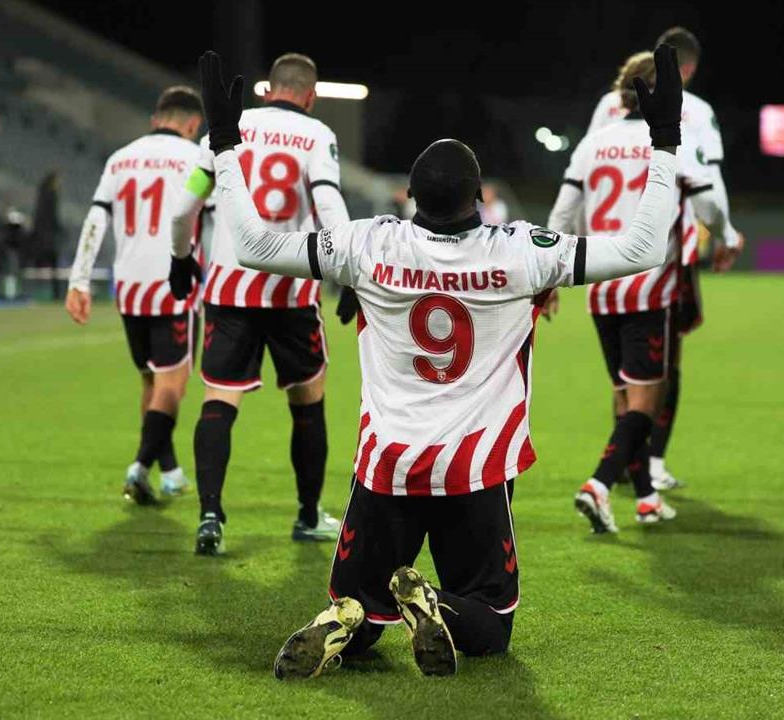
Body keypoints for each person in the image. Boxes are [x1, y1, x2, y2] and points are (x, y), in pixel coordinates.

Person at [193, 45, 682, 677]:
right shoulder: (522, 252)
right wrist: (664, 143)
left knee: (359, 612)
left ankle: (347, 619)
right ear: (479, 196)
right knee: (491, 625)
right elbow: (643, 248)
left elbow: (252, 244)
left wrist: (225, 144)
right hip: (474, 468)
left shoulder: (368, 243)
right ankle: (437, 605)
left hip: (387, 465)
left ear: (410, 195)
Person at [168, 52, 351, 554]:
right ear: (311, 96)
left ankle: (210, 516)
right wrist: (348, 274)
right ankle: (308, 514)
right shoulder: (317, 135)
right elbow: (329, 205)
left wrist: (179, 258)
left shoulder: (228, 126)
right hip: (291, 290)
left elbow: (184, 206)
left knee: (218, 401)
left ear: (268, 89)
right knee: (307, 402)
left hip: (229, 289)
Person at [548, 50, 734, 532]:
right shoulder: (671, 140)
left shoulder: (593, 143)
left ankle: (646, 498)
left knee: (622, 396)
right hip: (649, 287)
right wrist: (728, 236)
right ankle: (599, 483)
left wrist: (549, 279)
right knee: (647, 400)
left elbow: (563, 213)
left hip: (600, 287)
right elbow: (708, 204)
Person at [587, 26, 742, 491]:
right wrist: (726, 236)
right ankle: (650, 464)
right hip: (666, 250)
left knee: (623, 372)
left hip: (606, 253)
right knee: (662, 363)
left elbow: (585, 169)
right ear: (686, 69)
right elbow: (709, 180)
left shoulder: (607, 107)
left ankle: (628, 466)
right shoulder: (694, 109)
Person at [65, 87, 206, 504]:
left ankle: (172, 472)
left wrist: (79, 280)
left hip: (128, 288)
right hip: (173, 284)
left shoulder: (120, 158)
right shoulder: (196, 158)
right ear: (193, 124)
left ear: (155, 120)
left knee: (151, 379)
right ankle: (140, 467)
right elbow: (213, 220)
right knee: (173, 385)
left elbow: (96, 219)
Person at [31, 171, 63, 300]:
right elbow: (51, 217)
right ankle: (55, 294)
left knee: (44, 265)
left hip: (43, 235)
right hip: (47, 237)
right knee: (51, 265)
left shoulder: (42, 195)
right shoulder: (51, 196)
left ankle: (49, 293)